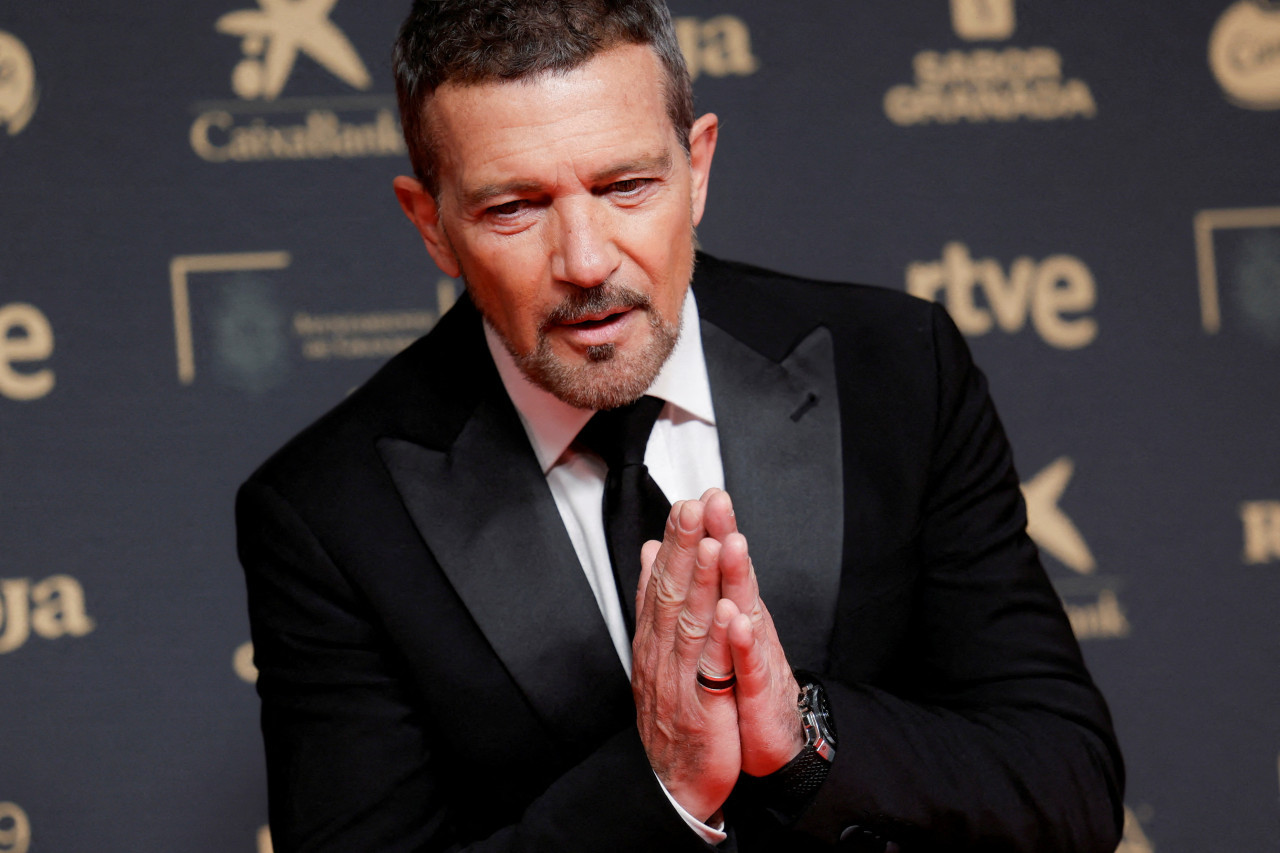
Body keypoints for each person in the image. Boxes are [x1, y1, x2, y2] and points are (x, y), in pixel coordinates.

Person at [235, 1, 1124, 850]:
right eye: (513, 207)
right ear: (431, 224)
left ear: (696, 169)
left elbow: (1067, 786)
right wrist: (658, 787)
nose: (585, 261)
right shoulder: (329, 513)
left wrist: (804, 734)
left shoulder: (896, 368)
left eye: (626, 186)